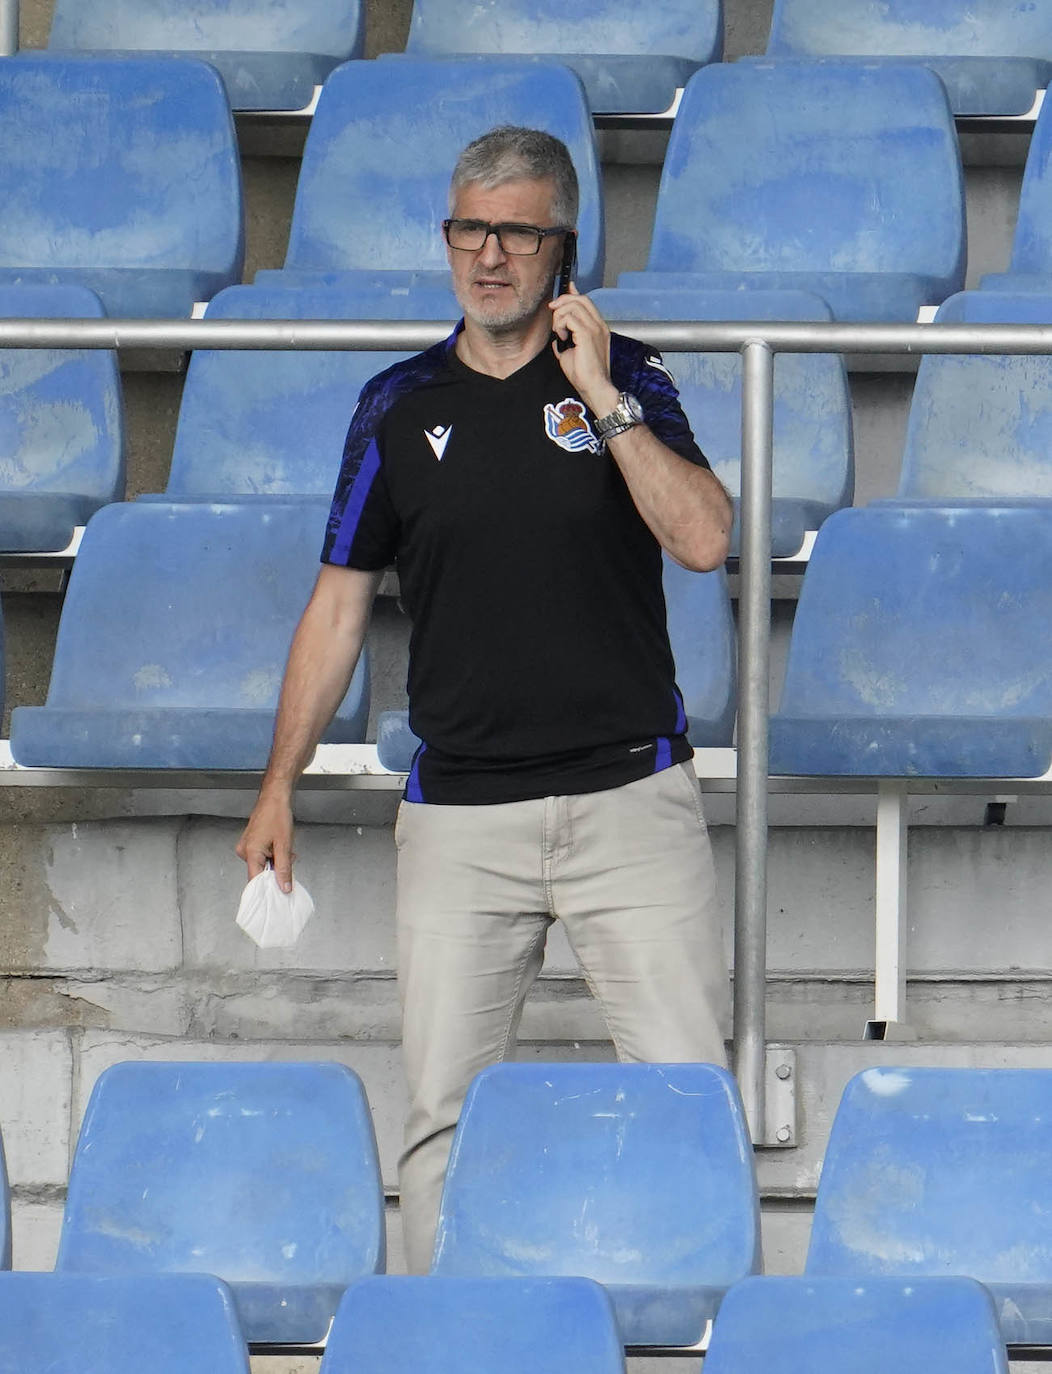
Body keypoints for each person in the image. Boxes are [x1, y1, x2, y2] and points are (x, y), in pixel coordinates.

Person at [237, 125, 733, 1274]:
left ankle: (712, 1336)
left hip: (629, 805)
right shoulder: (397, 405)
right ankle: (441, 1343)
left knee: (685, 1105)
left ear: (562, 247)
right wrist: (277, 788)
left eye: (514, 230)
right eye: (469, 227)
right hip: (459, 822)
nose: (488, 254)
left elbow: (703, 539)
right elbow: (335, 610)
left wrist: (599, 393)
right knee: (443, 1129)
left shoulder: (632, 380)